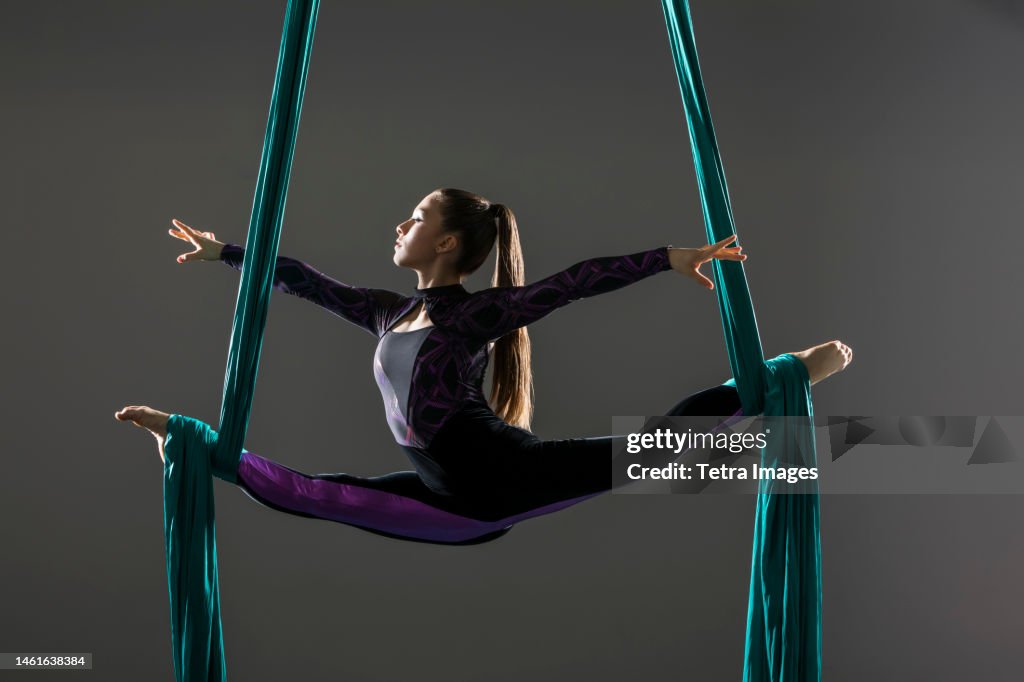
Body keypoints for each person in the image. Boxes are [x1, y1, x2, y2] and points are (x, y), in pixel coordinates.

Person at [115, 188, 852, 544]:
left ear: (445, 246)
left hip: (502, 480)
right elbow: (305, 280)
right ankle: (192, 445)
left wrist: (668, 258)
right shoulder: (389, 311)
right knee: (318, 493)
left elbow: (572, 283)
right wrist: (228, 254)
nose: (399, 225)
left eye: (415, 217)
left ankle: (783, 377)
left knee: (656, 450)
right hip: (450, 497)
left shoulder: (474, 316)